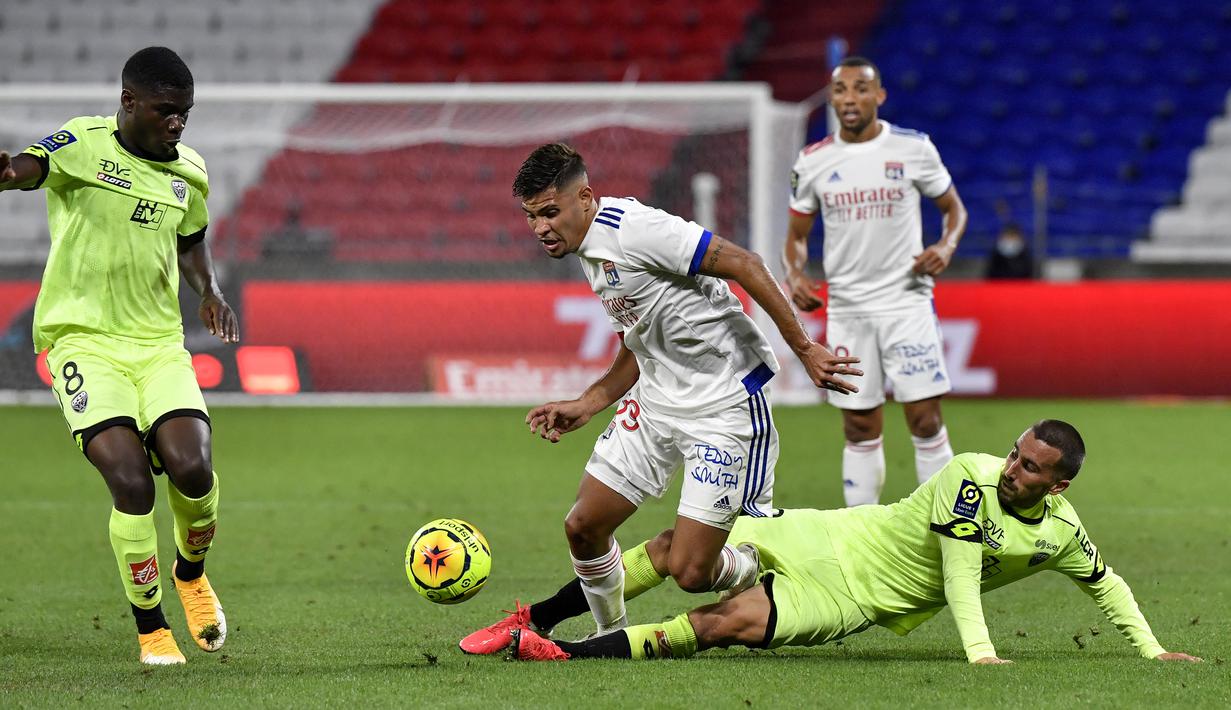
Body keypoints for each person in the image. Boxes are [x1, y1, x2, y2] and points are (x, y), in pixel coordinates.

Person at [460, 143, 862, 652]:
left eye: (549, 212)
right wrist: (588, 402)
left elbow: (743, 261)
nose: (540, 227)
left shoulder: (635, 229)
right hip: (656, 399)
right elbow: (640, 337)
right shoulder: (587, 251)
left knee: (692, 573)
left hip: (723, 405)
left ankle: (765, 558)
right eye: (530, 216)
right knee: (584, 527)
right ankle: (608, 636)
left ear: (585, 198)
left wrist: (803, 347)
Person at [503, 420, 1203, 666]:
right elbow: (960, 570)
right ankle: (536, 615)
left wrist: (1149, 648)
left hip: (851, 597)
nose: (1010, 469)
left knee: (717, 626)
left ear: (1058, 488)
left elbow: (1105, 582)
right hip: (830, 531)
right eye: (1014, 455)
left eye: (1028, 468)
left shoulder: (1059, 536)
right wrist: (982, 654)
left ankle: (557, 654)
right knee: (673, 550)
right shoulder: (968, 476)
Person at [0, 47, 236, 665]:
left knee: (193, 469)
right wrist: (7, 173)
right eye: (166, 111)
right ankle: (151, 626)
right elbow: (30, 167)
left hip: (158, 344)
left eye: (185, 113)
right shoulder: (84, 142)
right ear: (129, 102)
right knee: (131, 482)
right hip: (81, 341)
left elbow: (192, 241)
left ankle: (191, 574)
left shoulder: (191, 172)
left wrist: (209, 292)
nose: (178, 124)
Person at [783, 56, 970, 507]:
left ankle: (944, 526)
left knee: (924, 419)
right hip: (848, 309)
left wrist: (945, 247)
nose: (850, 98)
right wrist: (794, 273)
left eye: (861, 88)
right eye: (841, 89)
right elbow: (796, 236)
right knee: (859, 426)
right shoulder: (813, 162)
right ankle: (862, 532)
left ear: (879, 96)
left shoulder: (913, 149)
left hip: (906, 303)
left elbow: (955, 210)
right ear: (832, 98)